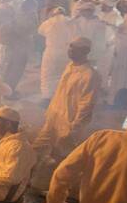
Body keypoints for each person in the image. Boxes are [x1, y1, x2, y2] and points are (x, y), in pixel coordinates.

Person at [33, 37, 101, 181]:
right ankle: (29, 177)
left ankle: (55, 186)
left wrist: (74, 127)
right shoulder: (70, 66)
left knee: (61, 155)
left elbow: (86, 104)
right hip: (54, 116)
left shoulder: (90, 75)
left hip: (69, 121)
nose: (70, 50)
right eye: (70, 46)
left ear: (85, 51)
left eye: (74, 48)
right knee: (39, 146)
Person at [0, 0, 37, 97]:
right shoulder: (24, 17)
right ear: (30, 7)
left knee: (12, 68)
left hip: (15, 46)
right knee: (15, 70)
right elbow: (23, 31)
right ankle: (9, 92)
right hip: (17, 47)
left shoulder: (21, 15)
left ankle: (8, 90)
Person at [38, 6, 76, 101]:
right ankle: (62, 95)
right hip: (67, 51)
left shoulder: (48, 22)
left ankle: (47, 97)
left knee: (48, 74)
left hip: (51, 51)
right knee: (64, 73)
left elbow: (40, 32)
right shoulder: (71, 21)